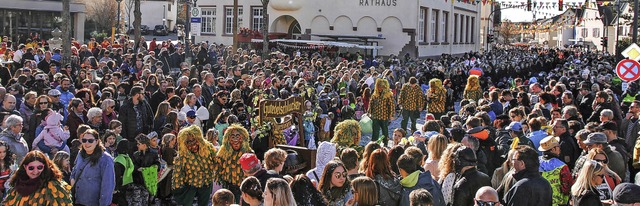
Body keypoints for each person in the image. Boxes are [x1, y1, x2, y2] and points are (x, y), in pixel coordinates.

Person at [1, 150, 72, 205]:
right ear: (25, 167)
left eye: (39, 167)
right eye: (31, 168)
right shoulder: (17, 185)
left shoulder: (54, 187)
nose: (35, 171)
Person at [172, 125, 217, 206]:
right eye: (189, 143)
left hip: (206, 182)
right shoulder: (182, 156)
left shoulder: (208, 148)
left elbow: (217, 161)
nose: (193, 146)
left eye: (194, 141)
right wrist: (177, 187)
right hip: (190, 184)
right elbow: (177, 174)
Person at [70, 129, 115, 206]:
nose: (86, 143)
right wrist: (72, 180)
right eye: (84, 140)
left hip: (94, 202)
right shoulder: (80, 154)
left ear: (97, 141)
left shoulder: (105, 159)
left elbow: (108, 185)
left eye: (90, 140)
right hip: (78, 201)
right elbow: (74, 171)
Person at [537, 136, 573, 206]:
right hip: (558, 202)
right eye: (558, 146)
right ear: (553, 149)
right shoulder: (562, 166)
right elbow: (567, 187)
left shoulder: (535, 162)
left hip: (539, 200)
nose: (560, 148)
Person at [368, 78, 395, 143]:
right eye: (379, 86)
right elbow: (371, 103)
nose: (380, 88)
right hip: (376, 115)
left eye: (381, 86)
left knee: (385, 130)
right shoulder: (375, 94)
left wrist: (391, 115)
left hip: (384, 116)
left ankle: (385, 142)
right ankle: (374, 142)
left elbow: (391, 105)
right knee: (375, 130)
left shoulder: (389, 95)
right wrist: (369, 112)